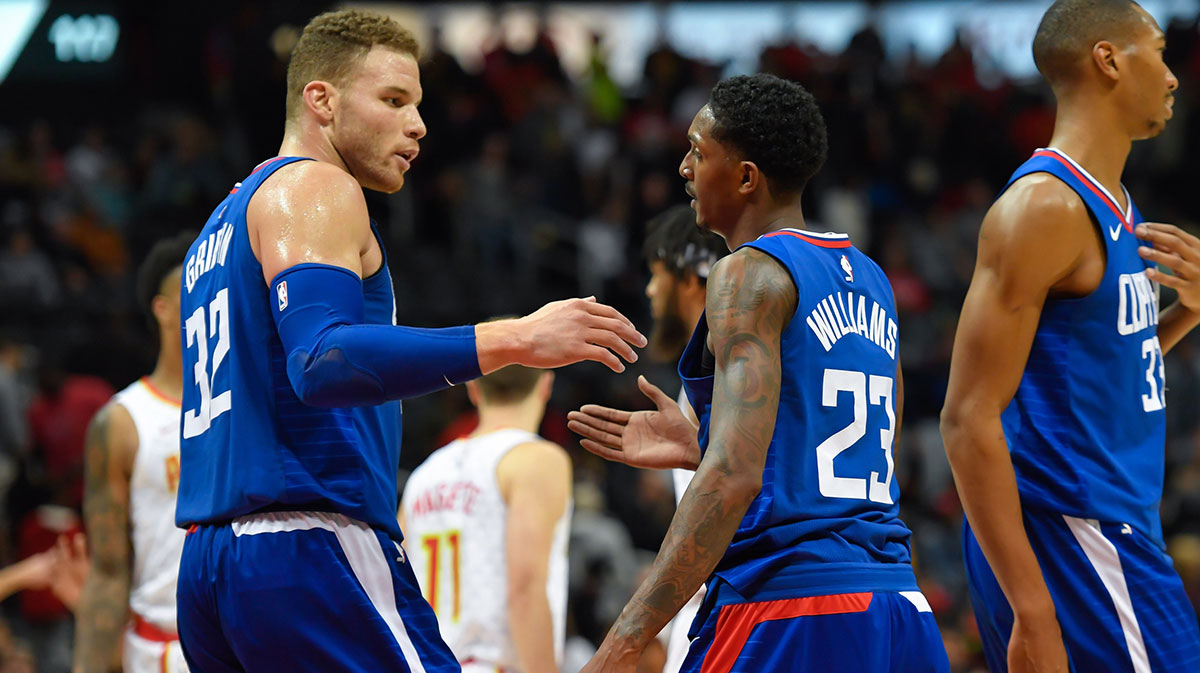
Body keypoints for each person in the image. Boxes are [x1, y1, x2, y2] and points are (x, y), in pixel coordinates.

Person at [173, 10, 645, 673]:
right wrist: (517, 337)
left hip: (209, 566)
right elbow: (324, 361)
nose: (418, 124)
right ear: (322, 100)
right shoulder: (316, 186)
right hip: (307, 546)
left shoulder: (216, 228)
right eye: (393, 100)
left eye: (418, 104)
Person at [568, 74, 948, 673]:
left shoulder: (747, 273)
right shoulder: (872, 277)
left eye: (698, 151)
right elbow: (872, 446)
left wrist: (623, 643)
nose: (684, 169)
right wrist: (703, 442)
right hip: (897, 604)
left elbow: (734, 477)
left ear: (746, 177)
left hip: (791, 605)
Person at [940, 2, 1200, 672]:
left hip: (1103, 530)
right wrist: (1033, 606)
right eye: (1159, 52)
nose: (1173, 77)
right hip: (1076, 533)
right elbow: (967, 417)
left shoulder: (1113, 201)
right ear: (1109, 59)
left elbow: (1099, 367)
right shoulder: (1045, 208)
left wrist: (1191, 310)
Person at [399, 363, 570, 673]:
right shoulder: (535, 460)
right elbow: (525, 586)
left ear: (473, 388)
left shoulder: (423, 475)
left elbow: (395, 588)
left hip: (425, 663)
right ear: (546, 384)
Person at [74, 233, 194, 673]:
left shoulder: (252, 406)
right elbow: (107, 572)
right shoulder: (124, 421)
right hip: (161, 650)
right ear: (161, 308)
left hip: (249, 645)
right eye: (191, 289)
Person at [641, 205, 726, 673]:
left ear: (692, 278)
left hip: (724, 617)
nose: (651, 290)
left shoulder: (718, 370)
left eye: (657, 275)